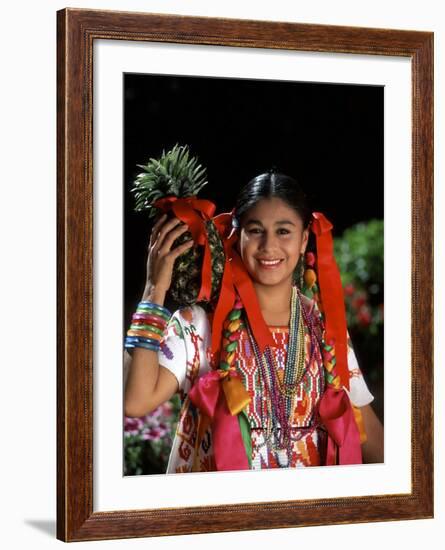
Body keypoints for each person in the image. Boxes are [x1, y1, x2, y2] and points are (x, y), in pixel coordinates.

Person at [124, 170, 384, 473]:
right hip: (223, 517)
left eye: (283, 231)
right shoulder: (198, 325)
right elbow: (135, 402)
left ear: (303, 240)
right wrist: (154, 289)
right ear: (238, 235)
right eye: (256, 230)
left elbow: (371, 438)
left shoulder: (324, 327)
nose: (268, 246)